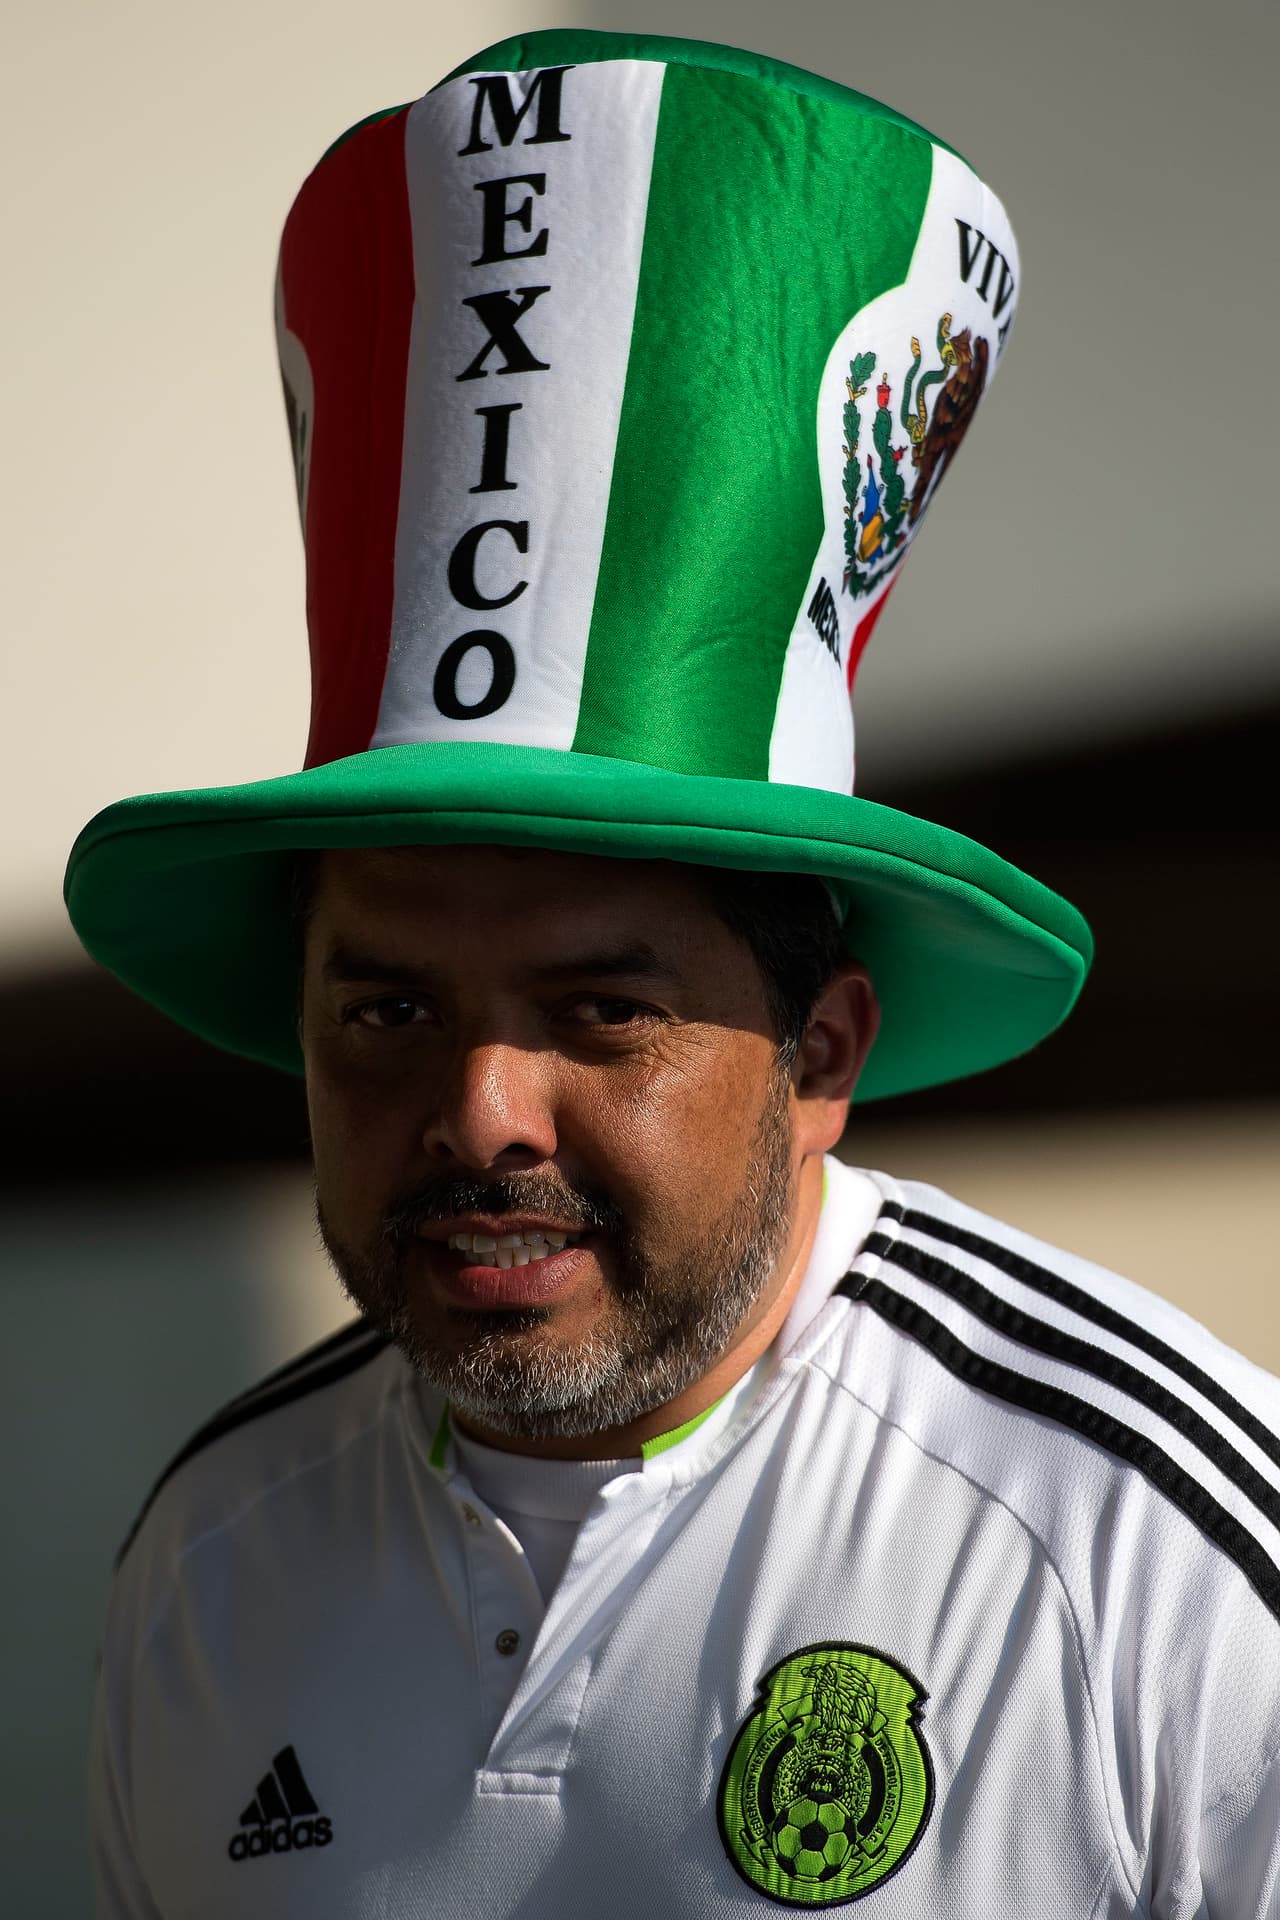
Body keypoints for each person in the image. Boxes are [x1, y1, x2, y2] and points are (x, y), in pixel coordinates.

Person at [68, 29, 1280, 1919]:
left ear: (822, 1052)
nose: (478, 1112)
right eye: (386, 1010)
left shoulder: (1156, 1556)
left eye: (600, 1012)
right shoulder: (213, 1566)